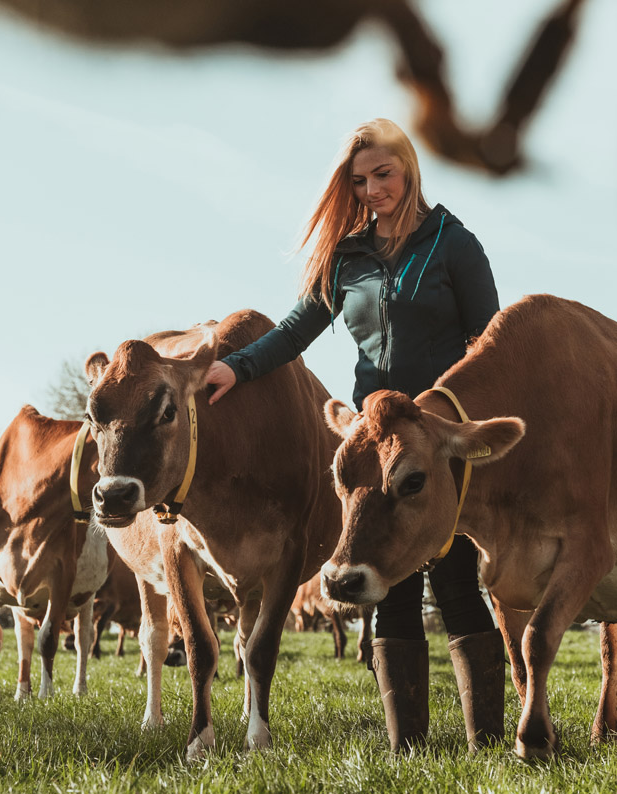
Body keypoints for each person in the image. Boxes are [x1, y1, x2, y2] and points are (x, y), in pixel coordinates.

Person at [205, 117, 504, 753]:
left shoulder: (455, 244)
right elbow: (293, 333)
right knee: (386, 587)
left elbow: (487, 344)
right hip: (373, 446)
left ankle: (487, 747)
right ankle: (408, 751)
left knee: (454, 583)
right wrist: (234, 366)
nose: (371, 190)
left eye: (383, 175)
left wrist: (462, 426)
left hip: (433, 440)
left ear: (410, 168)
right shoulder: (347, 257)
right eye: (359, 180)